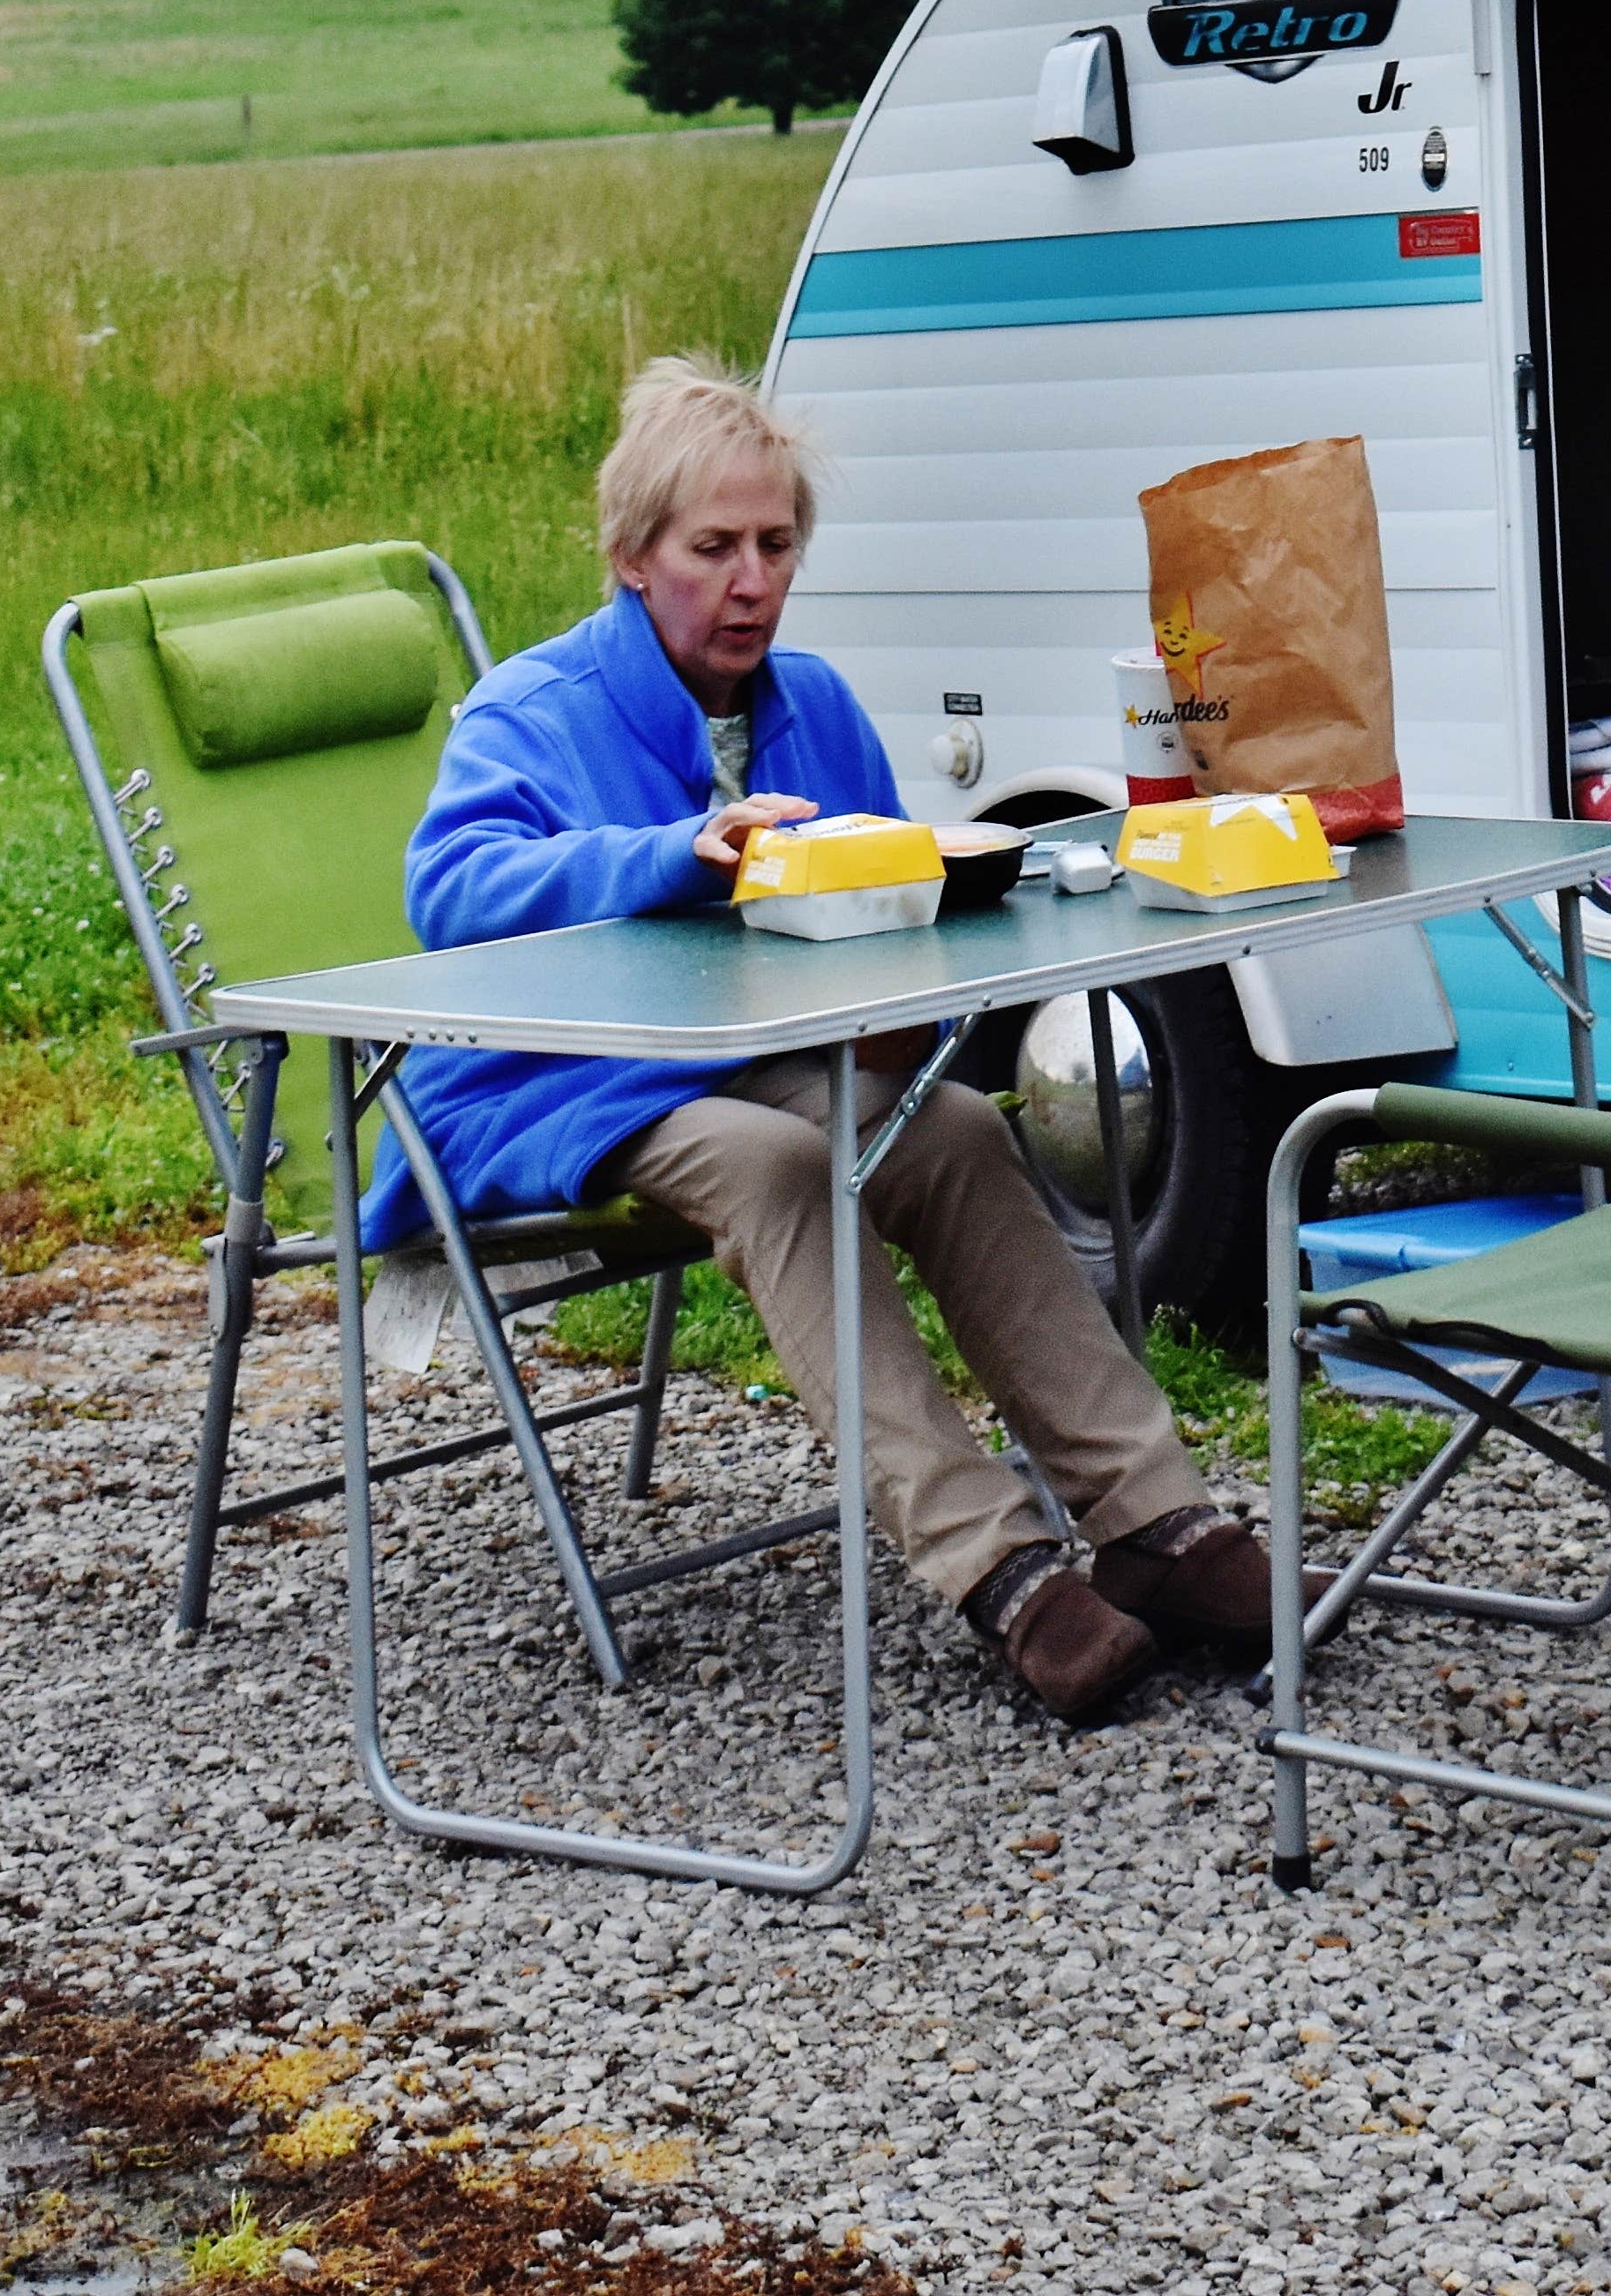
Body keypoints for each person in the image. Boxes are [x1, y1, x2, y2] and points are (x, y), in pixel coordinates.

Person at [384, 354, 1268, 1724]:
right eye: (714, 548)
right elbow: (450, 892)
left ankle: (1157, 1522)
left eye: (776, 545)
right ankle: (1002, 1569)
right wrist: (673, 849)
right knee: (777, 1167)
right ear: (632, 558)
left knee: (962, 1128)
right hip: (557, 1082)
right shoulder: (535, 712)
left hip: (755, 1048)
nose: (751, 580)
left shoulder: (816, 705)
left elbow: (879, 893)